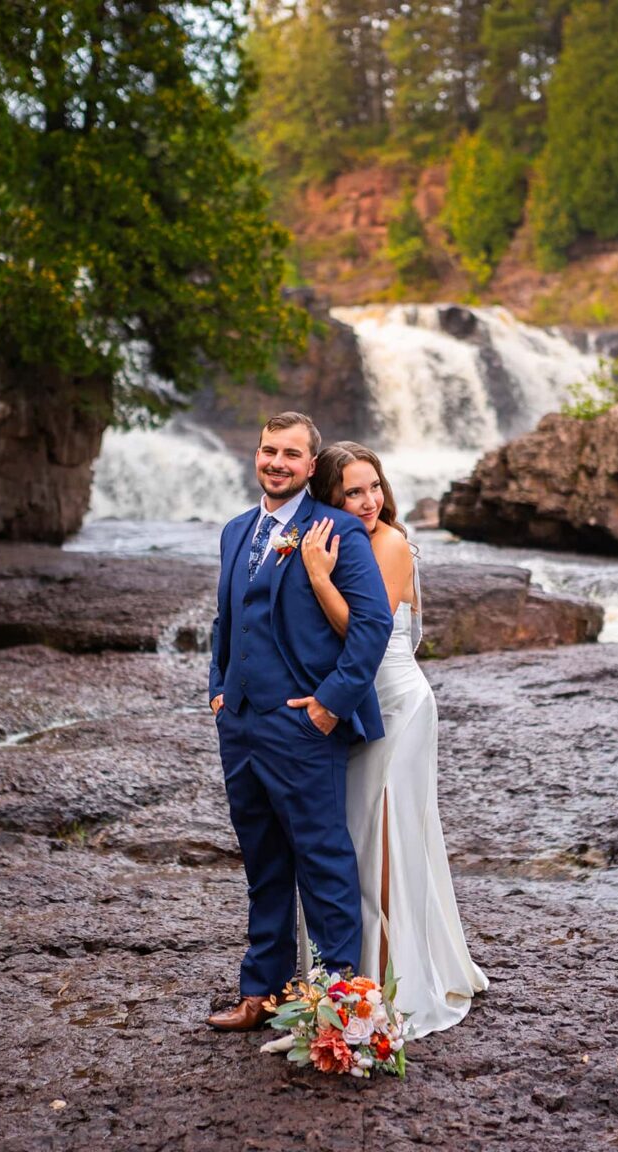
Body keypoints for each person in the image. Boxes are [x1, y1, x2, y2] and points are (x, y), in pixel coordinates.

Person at [207, 414, 394, 1031]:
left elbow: (372, 627)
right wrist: (218, 691)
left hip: (304, 725)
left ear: (312, 466)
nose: (277, 462)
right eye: (268, 450)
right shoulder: (238, 530)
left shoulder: (337, 528)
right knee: (262, 863)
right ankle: (262, 990)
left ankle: (339, 1007)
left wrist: (329, 703)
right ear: (255, 455)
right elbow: (225, 623)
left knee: (322, 859)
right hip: (240, 725)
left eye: (292, 453)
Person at [302, 442, 488, 1037]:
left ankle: (388, 986)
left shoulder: (389, 543)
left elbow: (365, 631)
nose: (368, 501)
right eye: (352, 491)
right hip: (364, 709)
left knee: (384, 839)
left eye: (374, 486)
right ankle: (357, 973)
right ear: (329, 497)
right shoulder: (343, 539)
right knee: (359, 839)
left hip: (400, 707)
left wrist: (314, 573)